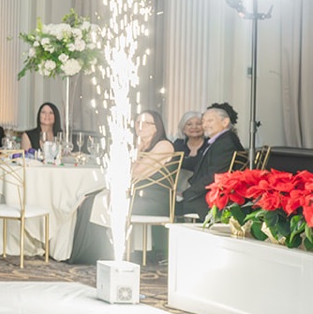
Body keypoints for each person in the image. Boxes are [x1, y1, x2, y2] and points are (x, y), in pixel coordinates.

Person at [70, 110, 176, 264]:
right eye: (138, 122)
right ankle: (92, 253)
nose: (140, 126)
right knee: (88, 200)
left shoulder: (163, 145)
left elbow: (137, 172)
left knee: (99, 202)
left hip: (154, 201)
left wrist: (136, 151)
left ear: (157, 127)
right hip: (137, 196)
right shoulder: (141, 145)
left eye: (146, 123)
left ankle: (101, 253)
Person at [178, 103, 244, 220]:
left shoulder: (225, 143)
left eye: (210, 121)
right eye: (203, 121)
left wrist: (186, 194)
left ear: (225, 122)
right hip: (208, 196)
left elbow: (215, 176)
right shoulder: (220, 141)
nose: (205, 125)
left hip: (212, 201)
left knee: (167, 206)